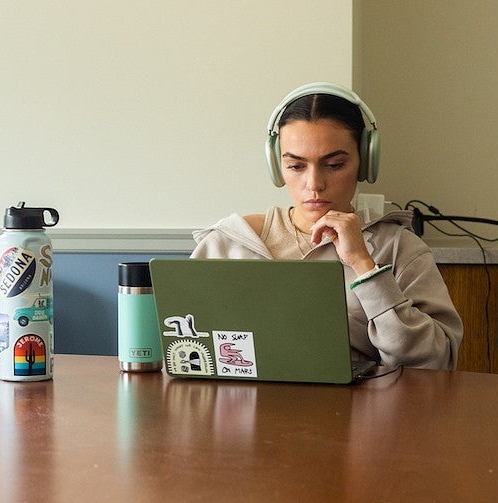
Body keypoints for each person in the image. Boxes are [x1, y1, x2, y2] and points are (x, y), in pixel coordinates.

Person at [190, 82, 463, 370]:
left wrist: (364, 265)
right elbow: (183, 351)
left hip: (363, 413)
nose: (314, 184)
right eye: (296, 166)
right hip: (246, 412)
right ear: (277, 166)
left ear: (365, 161)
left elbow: (436, 362)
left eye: (334, 165)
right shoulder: (228, 243)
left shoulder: (399, 249)